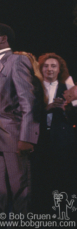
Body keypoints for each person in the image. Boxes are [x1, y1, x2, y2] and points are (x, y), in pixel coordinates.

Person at [0, 23, 40, 215]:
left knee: (20, 191)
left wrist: (27, 137)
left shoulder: (16, 61)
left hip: (13, 137)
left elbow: (28, 101)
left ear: (3, 39)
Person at [36, 53, 77, 197]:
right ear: (41, 69)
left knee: (63, 178)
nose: (49, 69)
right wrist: (47, 109)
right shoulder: (35, 88)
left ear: (59, 69)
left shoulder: (68, 87)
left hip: (62, 138)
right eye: (46, 66)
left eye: (53, 66)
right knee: (42, 178)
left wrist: (66, 109)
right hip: (40, 138)